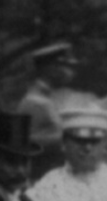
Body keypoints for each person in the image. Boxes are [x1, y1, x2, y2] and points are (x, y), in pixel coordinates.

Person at [16, 42, 81, 171]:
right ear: (50, 68)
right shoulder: (34, 102)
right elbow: (23, 144)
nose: (70, 72)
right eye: (65, 66)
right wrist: (69, 138)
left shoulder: (47, 99)